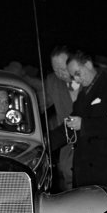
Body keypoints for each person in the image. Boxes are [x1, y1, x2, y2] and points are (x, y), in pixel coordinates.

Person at [50, 48, 107, 200]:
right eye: (73, 76)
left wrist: (85, 124)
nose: (76, 80)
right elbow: (70, 126)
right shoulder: (83, 95)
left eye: (77, 73)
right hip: (85, 173)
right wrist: (46, 142)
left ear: (88, 64)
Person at [44, 46, 80, 191]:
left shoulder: (90, 80)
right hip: (68, 149)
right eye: (55, 69)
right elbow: (42, 103)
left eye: (63, 69)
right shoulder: (52, 81)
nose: (60, 74)